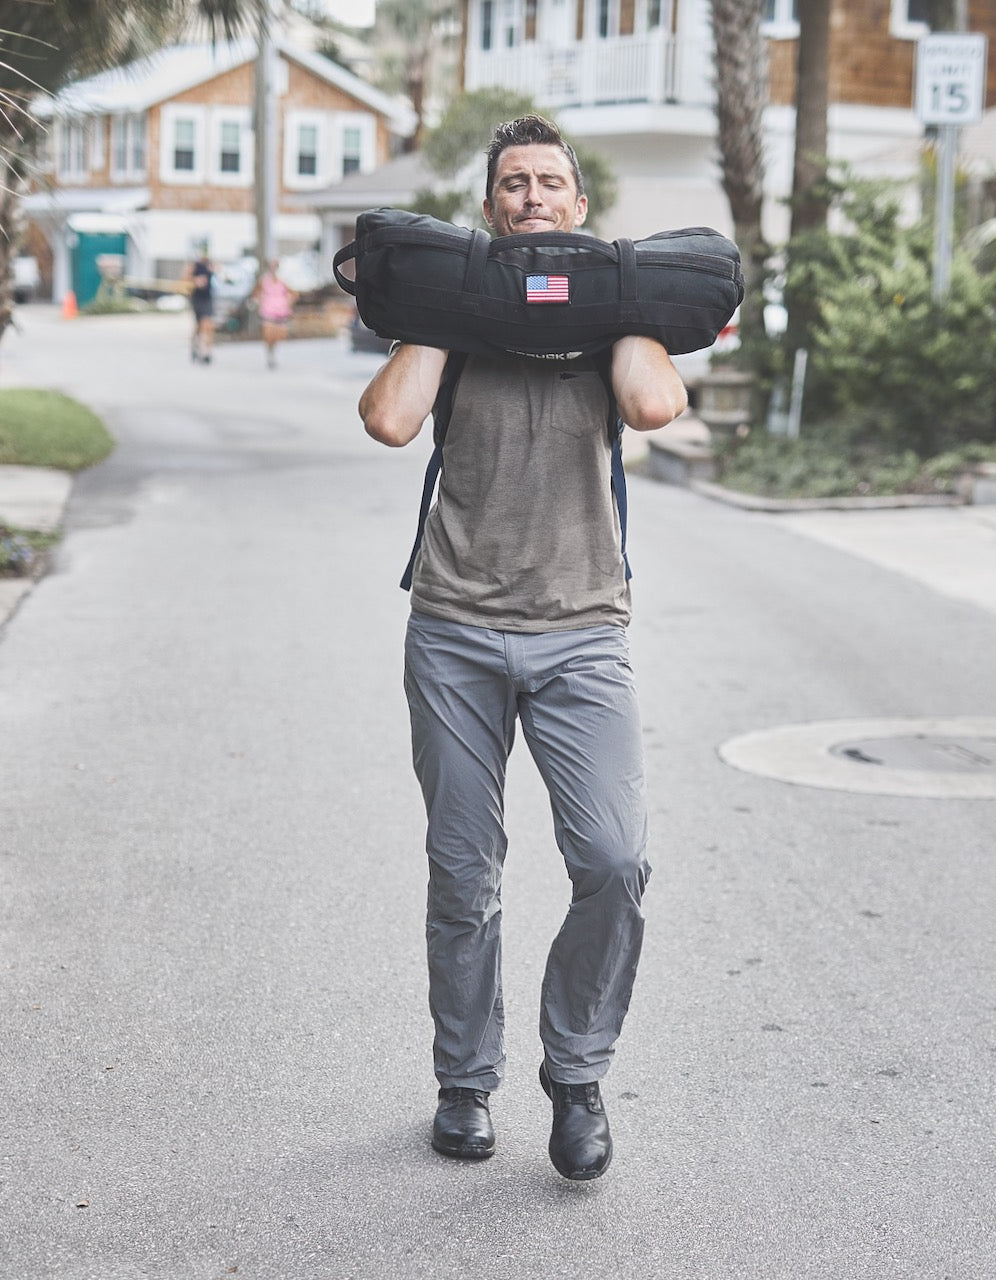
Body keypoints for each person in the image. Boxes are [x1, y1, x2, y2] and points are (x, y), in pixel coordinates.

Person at [358, 115, 687, 1181]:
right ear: (489, 203)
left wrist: (616, 299)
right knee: (464, 875)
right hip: (453, 627)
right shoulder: (453, 314)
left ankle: (576, 1071)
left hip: (582, 628)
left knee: (613, 860)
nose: (532, 197)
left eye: (550, 183)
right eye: (513, 183)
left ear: (578, 206)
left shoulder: (610, 322)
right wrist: (455, 303)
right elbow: (387, 420)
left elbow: (651, 400)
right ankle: (464, 1081)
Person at [251, 259, 296, 369]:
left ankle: (272, 352)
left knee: (277, 335)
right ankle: (269, 354)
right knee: (268, 334)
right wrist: (257, 300)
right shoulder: (264, 280)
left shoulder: (282, 281)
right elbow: (255, 293)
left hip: (280, 311)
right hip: (267, 310)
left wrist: (288, 302)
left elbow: (293, 293)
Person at [183, 244, 215, 364]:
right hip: (197, 298)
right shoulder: (193, 266)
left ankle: (207, 352)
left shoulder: (210, 264)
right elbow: (184, 279)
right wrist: (195, 281)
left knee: (208, 325)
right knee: (198, 326)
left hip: (208, 298)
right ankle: (195, 346)